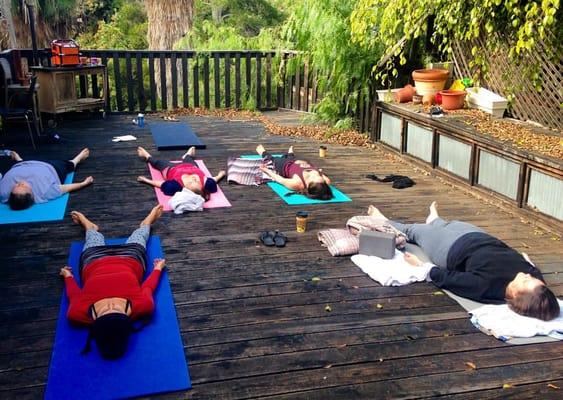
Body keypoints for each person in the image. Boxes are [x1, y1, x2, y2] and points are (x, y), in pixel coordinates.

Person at [368, 202, 560, 321]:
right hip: (479, 236)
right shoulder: (535, 278)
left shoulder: (485, 287)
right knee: (450, 224)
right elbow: (537, 280)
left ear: (517, 294)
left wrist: (421, 266)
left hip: (451, 249)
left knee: (413, 231)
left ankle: (384, 221)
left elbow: (448, 278)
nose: (528, 275)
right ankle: (435, 220)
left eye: (526, 281)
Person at [59, 205, 166, 359]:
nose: (110, 305)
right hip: (130, 259)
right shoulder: (144, 306)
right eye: (116, 309)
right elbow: (149, 286)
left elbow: (74, 294)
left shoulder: (76, 313)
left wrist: (67, 275)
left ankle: (89, 226)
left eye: (103, 311)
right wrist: (158, 268)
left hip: (94, 260)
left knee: (93, 237)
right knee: (141, 236)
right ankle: (148, 221)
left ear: (94, 322)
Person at [0, 149, 93, 210]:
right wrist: (84, 183)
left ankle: (19, 159)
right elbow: (67, 188)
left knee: (19, 162)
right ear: (32, 195)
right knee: (69, 165)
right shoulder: (44, 193)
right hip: (52, 167)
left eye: (16, 185)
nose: (20, 183)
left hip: (24, 163)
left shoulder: (3, 193)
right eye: (23, 186)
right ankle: (77, 159)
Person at [136, 146, 225, 201]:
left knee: (157, 162)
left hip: (171, 168)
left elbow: (161, 184)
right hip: (190, 166)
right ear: (202, 188)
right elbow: (214, 179)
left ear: (185, 188)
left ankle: (146, 156)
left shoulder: (175, 186)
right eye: (197, 182)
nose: (193, 179)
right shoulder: (207, 184)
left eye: (190, 183)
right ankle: (187, 155)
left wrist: (145, 180)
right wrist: (220, 175)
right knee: (189, 158)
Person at [256, 144, 333, 200]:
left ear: (307, 185)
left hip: (284, 166)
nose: (315, 174)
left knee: (273, 160)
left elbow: (279, 179)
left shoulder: (296, 184)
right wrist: (320, 173)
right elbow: (325, 181)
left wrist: (266, 170)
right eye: (319, 176)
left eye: (313, 177)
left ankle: (263, 153)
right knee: (293, 159)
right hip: (297, 162)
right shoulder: (326, 182)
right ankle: (290, 154)